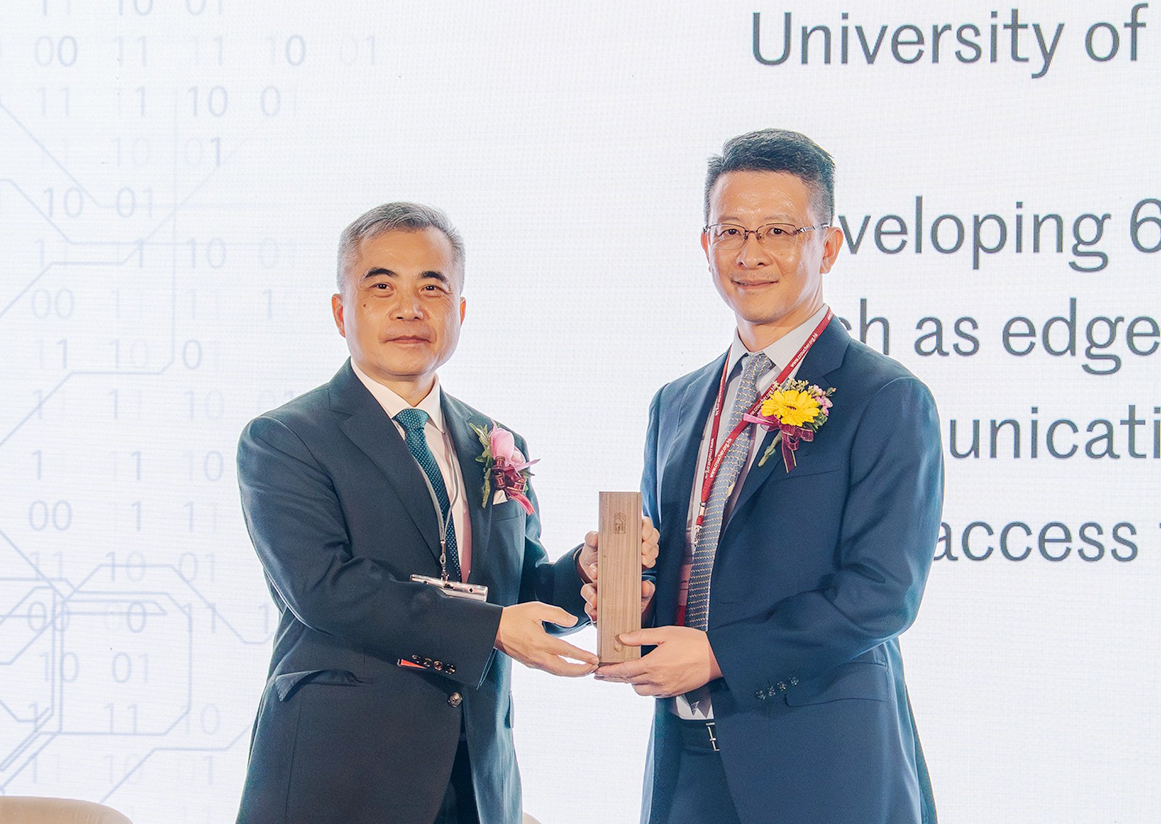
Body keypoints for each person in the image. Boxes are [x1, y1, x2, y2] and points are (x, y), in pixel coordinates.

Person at [235, 202, 657, 824]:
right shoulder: (286, 438)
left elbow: (518, 590)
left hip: (476, 780)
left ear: (458, 311)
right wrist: (487, 628)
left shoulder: (495, 440)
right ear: (340, 311)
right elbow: (326, 590)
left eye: (432, 288)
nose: (410, 309)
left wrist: (585, 575)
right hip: (339, 778)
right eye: (382, 287)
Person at [589, 130, 943, 824]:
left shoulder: (883, 396)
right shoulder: (677, 400)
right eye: (730, 232)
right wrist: (621, 589)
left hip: (820, 760)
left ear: (827, 246)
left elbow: (882, 593)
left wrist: (721, 655)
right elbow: (685, 571)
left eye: (777, 230)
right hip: (686, 761)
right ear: (705, 245)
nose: (750, 254)